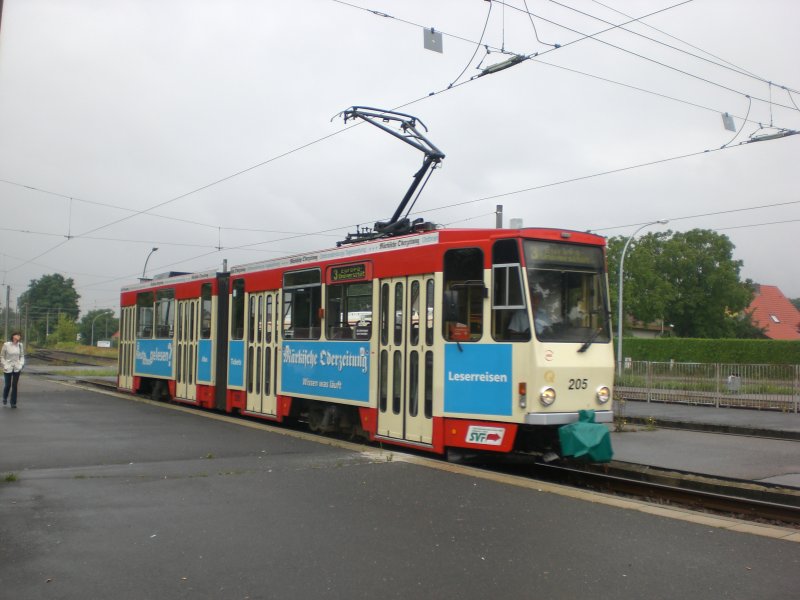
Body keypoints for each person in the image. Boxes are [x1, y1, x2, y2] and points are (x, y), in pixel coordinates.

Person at [1, 332, 25, 408]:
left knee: (14, 385)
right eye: (17, 335)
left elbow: (22, 356)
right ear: (13, 336)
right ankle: (5, 397)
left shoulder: (20, 345)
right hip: (8, 367)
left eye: (19, 335)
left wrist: (21, 364)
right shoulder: (6, 345)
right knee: (8, 385)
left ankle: (13, 402)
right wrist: (4, 365)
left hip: (17, 367)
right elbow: (2, 356)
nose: (19, 336)